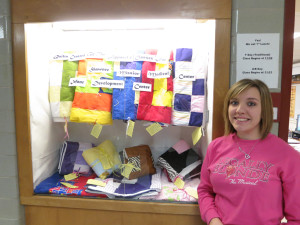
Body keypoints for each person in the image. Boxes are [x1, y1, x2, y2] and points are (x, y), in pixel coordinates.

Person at [197, 79, 300, 225]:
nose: (239, 110)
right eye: (234, 102)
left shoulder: (288, 156)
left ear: (264, 110)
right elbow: (205, 191)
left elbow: (297, 218)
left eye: (251, 103)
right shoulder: (215, 147)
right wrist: (213, 220)